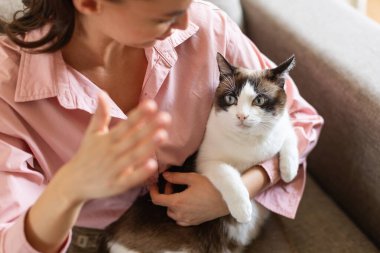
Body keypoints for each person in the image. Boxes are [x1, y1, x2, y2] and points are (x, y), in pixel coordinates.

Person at [0, 0, 324, 252]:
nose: (186, 23)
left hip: (215, 224)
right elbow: (10, 240)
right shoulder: (8, 86)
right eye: (164, 16)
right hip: (93, 240)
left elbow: (300, 118)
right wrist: (69, 188)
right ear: (89, 3)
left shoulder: (206, 27)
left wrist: (240, 189)